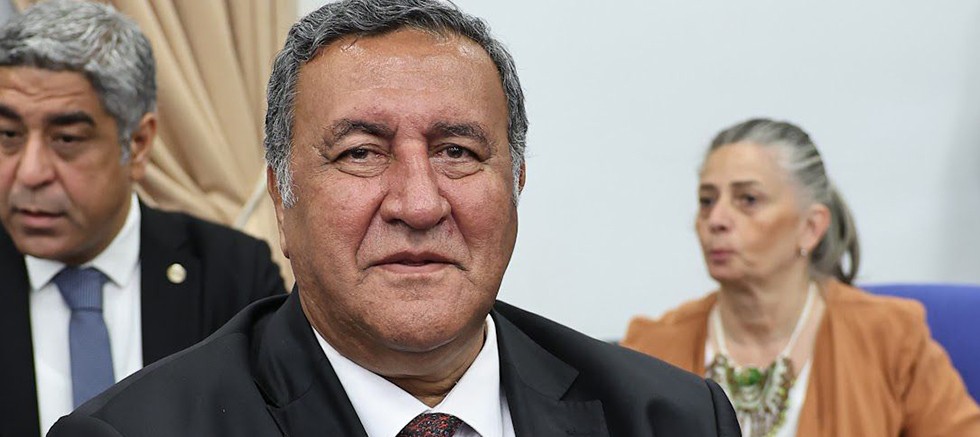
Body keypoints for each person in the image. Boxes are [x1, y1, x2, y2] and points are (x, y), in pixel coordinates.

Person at [48, 0, 741, 436]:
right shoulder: (137, 429)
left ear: (516, 185)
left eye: (458, 151)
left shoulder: (670, 418)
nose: (418, 203)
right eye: (360, 153)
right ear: (282, 199)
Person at [0, 2, 286, 435]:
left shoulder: (231, 274)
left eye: (66, 139)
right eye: (8, 135)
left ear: (137, 144)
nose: (30, 172)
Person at [622, 118, 980, 437]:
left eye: (748, 199)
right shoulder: (651, 348)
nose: (716, 219)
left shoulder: (890, 337)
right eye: (706, 200)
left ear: (811, 227)